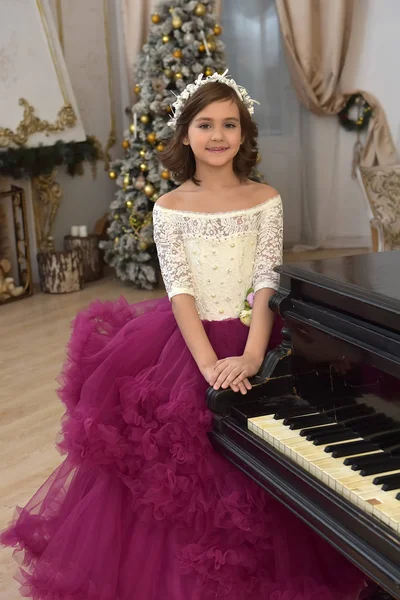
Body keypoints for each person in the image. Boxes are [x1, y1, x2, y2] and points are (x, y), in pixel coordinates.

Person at [1, 73, 368, 599]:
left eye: (229, 124)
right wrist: (208, 368)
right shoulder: (170, 207)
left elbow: (266, 280)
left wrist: (250, 356)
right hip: (188, 347)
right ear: (185, 133)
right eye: (205, 124)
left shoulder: (266, 198)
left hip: (255, 338)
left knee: (277, 451)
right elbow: (181, 294)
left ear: (244, 134)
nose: (218, 135)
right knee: (181, 466)